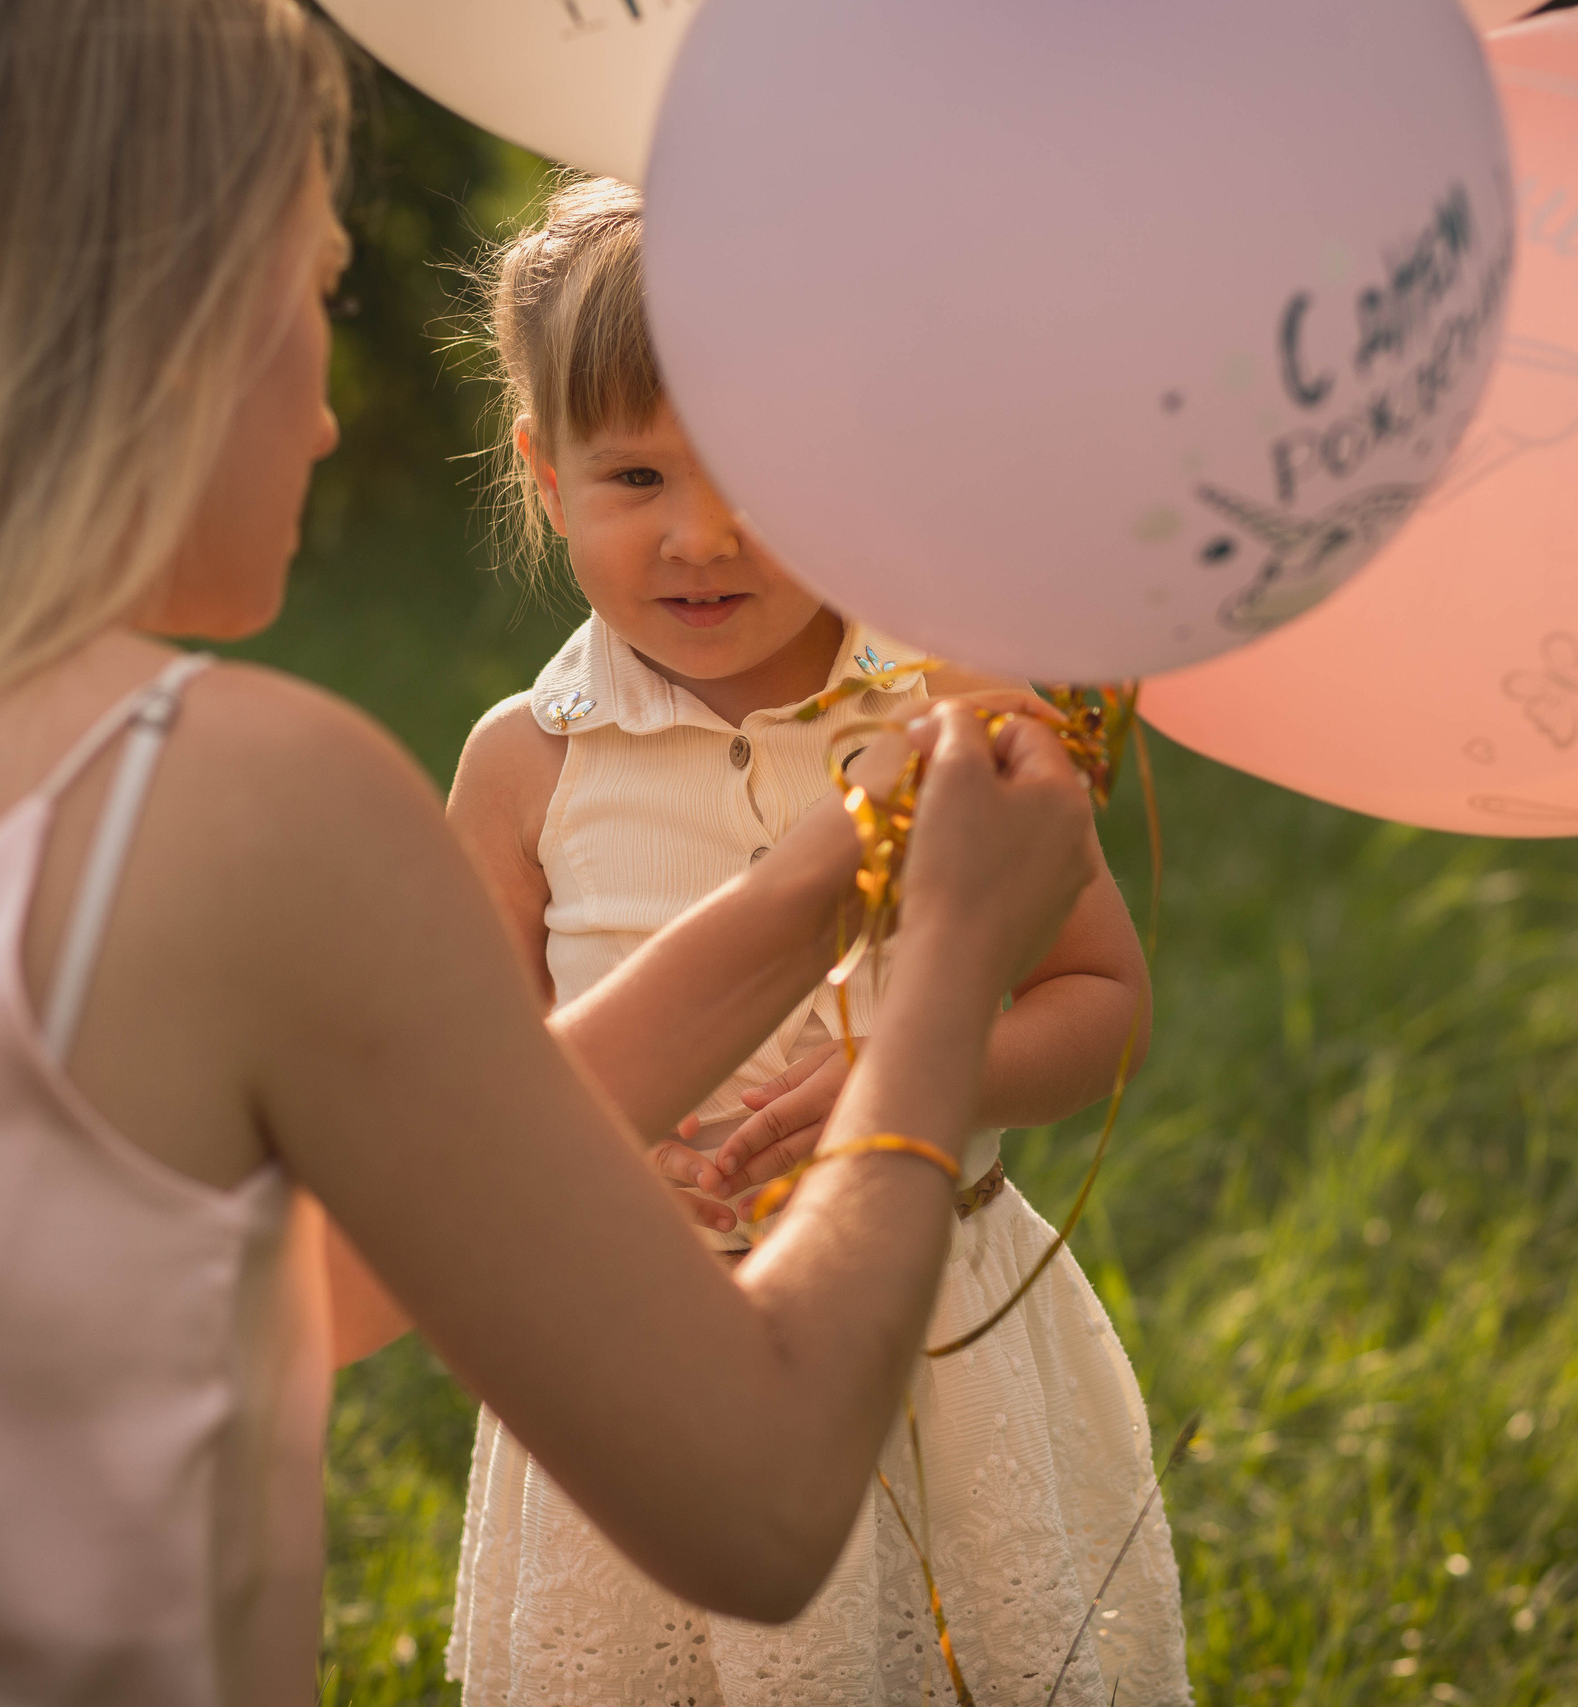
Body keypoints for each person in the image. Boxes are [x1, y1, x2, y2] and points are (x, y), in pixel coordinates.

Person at [0, 4, 1101, 1704]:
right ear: (173, 330)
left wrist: (830, 873)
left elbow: (336, 1280)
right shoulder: (235, 803)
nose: (319, 416)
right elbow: (764, 1505)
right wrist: (943, 966)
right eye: (317, 289)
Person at [433, 176, 1192, 1706]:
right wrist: (578, 1196)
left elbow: (1102, 996)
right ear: (545, 474)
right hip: (639, 1347)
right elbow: (468, 1099)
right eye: (635, 476)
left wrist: (921, 1076)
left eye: (766, 476)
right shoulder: (527, 763)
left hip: (927, 1335)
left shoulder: (956, 721)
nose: (700, 536)